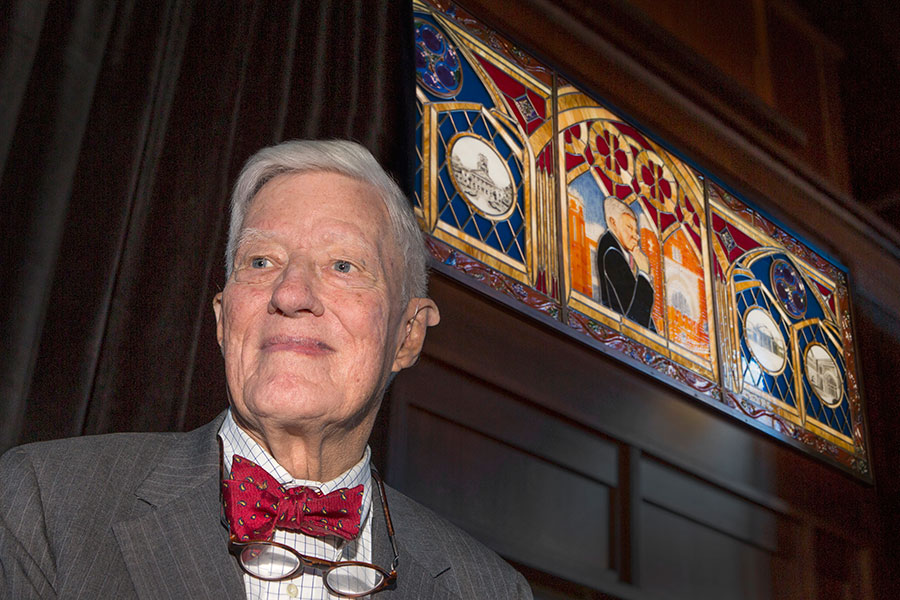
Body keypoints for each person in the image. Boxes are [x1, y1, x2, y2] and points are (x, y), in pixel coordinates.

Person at [0, 140, 532, 599]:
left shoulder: (487, 590)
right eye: (261, 263)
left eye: (343, 265)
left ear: (407, 334)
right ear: (223, 319)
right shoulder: (46, 503)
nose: (291, 294)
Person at [596, 196, 656, 331]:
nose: (636, 236)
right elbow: (636, 321)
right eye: (629, 227)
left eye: (636, 230)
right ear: (613, 223)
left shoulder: (614, 249)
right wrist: (644, 274)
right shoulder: (612, 253)